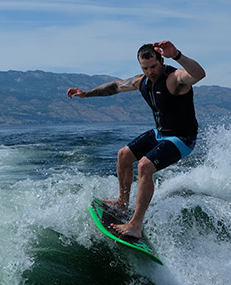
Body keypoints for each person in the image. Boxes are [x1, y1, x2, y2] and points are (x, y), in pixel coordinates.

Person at [67, 41, 206, 239]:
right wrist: (86, 94)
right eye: (145, 68)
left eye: (154, 66)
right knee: (123, 155)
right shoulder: (142, 81)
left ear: (161, 60)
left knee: (144, 166)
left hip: (182, 139)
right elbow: (114, 87)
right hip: (161, 133)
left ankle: (135, 224)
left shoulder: (175, 78)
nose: (150, 71)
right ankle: (122, 203)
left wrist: (177, 54)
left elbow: (199, 74)